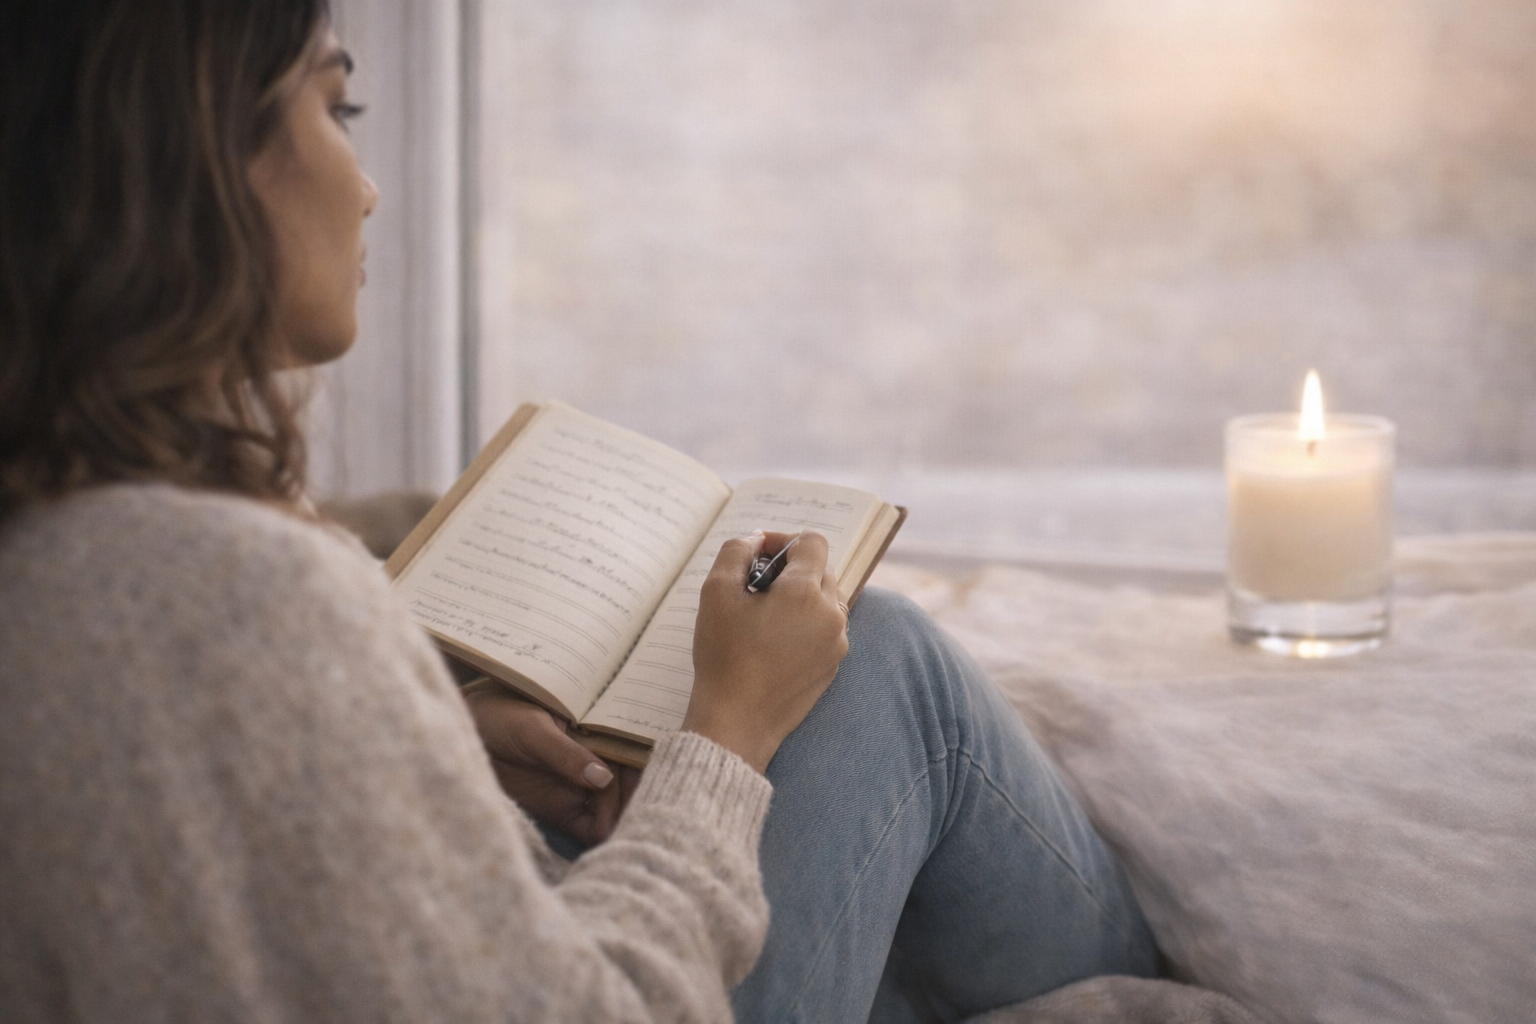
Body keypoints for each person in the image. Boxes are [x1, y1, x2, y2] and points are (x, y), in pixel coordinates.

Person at [0, 2, 1157, 1021]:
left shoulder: (66, 532)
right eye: (336, 106)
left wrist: (441, 747)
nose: (365, 186)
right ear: (190, 152)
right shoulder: (232, 588)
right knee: (885, 661)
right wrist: (727, 730)